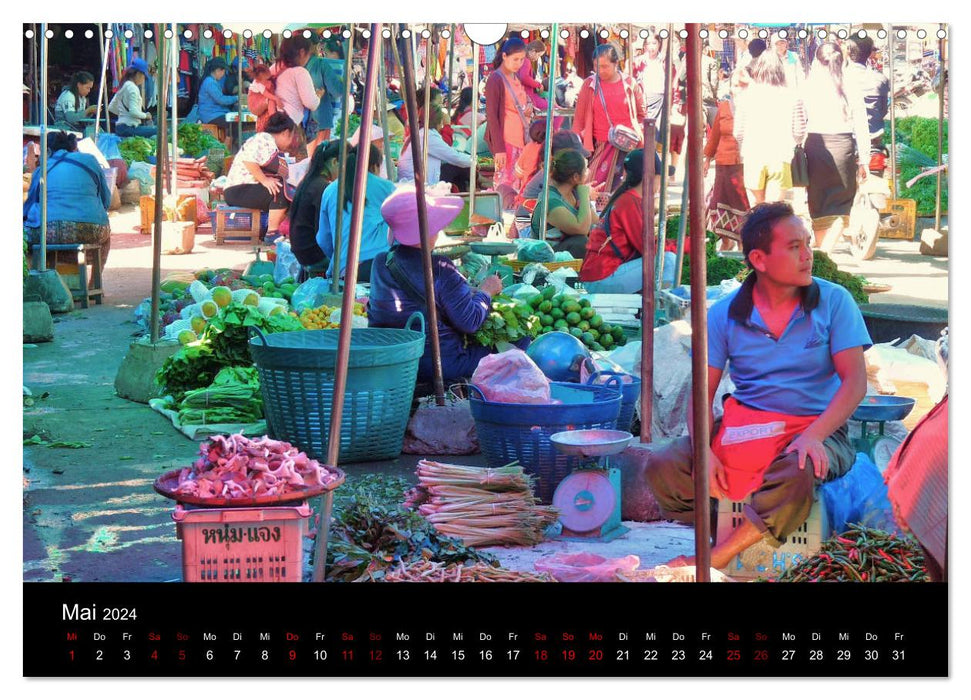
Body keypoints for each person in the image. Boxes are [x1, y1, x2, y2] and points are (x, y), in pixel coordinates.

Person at [644, 201, 871, 570]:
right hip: (746, 427)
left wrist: (814, 436)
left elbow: (855, 383)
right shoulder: (723, 314)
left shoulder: (834, 302)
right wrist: (704, 450)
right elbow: (700, 392)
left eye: (807, 244)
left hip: (820, 428)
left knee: (799, 469)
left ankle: (719, 555)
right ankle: (736, 524)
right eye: (794, 247)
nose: (807, 256)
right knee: (664, 466)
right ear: (759, 259)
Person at [368, 184, 526, 384]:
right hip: (439, 364)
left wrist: (467, 290)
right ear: (428, 229)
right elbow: (470, 322)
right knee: (521, 338)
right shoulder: (441, 267)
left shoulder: (381, 262)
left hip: (392, 361)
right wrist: (486, 291)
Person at [801, 41, 870, 251]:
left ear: (816, 60)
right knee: (841, 205)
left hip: (815, 147)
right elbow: (861, 122)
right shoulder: (849, 82)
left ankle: (823, 256)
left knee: (818, 203)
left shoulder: (809, 84)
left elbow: (799, 119)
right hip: (842, 148)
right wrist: (865, 159)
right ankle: (826, 254)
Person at [23, 131, 111, 272]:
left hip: (47, 231)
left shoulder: (41, 170)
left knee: (24, 240)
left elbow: (27, 209)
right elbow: (106, 201)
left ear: (48, 150)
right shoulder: (90, 160)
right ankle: (94, 285)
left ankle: (36, 280)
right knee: (106, 237)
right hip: (92, 230)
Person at [732, 51, 806, 206]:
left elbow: (738, 132)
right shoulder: (792, 95)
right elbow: (799, 132)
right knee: (773, 210)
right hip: (780, 156)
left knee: (756, 209)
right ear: (780, 70)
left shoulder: (745, 96)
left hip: (753, 155)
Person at [572, 42, 646, 192]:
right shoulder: (589, 85)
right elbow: (579, 118)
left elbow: (641, 113)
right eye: (596, 66)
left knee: (626, 190)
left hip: (629, 145)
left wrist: (634, 132)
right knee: (593, 187)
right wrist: (576, 145)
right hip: (601, 145)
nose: (600, 71)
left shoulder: (630, 84)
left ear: (616, 64)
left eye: (605, 66)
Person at [317, 143, 395, 283]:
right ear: (375, 166)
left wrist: (340, 256)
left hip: (343, 270)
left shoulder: (329, 190)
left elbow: (323, 239)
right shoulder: (386, 188)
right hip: (379, 267)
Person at [579, 149, 649, 293]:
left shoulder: (625, 198)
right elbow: (648, 248)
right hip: (600, 278)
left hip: (596, 275)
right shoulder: (628, 201)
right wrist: (686, 245)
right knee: (668, 261)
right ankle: (658, 311)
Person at [222, 112, 297, 241]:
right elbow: (249, 159)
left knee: (284, 187)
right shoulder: (264, 138)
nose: (291, 143)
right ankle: (272, 233)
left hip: (245, 189)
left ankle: (276, 229)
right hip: (237, 190)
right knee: (277, 188)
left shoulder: (271, 144)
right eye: (291, 137)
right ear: (285, 133)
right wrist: (264, 180)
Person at [485, 37, 535, 209]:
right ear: (504, 56)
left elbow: (523, 102)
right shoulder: (495, 79)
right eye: (515, 59)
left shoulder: (514, 77)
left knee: (517, 184)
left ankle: (511, 218)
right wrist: (498, 148)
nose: (519, 63)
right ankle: (502, 217)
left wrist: (528, 107)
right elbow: (491, 115)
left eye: (522, 60)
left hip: (520, 139)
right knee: (505, 184)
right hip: (506, 141)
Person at [397, 86, 472, 191]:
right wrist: (475, 161)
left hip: (416, 180)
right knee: (459, 166)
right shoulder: (427, 135)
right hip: (416, 186)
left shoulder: (421, 129)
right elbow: (454, 156)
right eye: (439, 104)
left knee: (459, 167)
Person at [704, 85, 749, 251]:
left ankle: (743, 243)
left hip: (743, 164)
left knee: (743, 205)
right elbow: (714, 135)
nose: (737, 89)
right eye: (735, 85)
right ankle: (726, 241)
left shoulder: (750, 106)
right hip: (723, 164)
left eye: (742, 85)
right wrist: (707, 159)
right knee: (721, 202)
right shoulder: (723, 107)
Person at [530, 149, 597, 259]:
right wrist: (585, 196)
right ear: (575, 177)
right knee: (581, 242)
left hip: (566, 256)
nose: (588, 172)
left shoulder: (575, 193)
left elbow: (596, 222)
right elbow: (581, 228)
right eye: (585, 170)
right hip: (547, 259)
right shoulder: (550, 200)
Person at [287, 139, 341, 270]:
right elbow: (324, 234)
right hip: (313, 254)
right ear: (334, 162)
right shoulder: (322, 187)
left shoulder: (310, 181)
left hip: (302, 250)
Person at [515, 129, 590, 219]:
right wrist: (585, 195)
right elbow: (577, 222)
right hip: (529, 224)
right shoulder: (551, 176)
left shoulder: (562, 174)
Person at [843, 36, 891, 176]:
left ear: (848, 51)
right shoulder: (880, 79)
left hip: (845, 141)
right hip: (873, 139)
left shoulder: (840, 78)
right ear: (870, 53)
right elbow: (883, 110)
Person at [273, 35, 323, 146]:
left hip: (273, 125)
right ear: (301, 52)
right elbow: (311, 103)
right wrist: (319, 95)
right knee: (294, 161)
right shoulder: (300, 72)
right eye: (309, 54)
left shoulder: (274, 68)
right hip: (291, 126)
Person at [305, 35, 345, 151]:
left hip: (301, 119)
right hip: (320, 119)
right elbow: (337, 91)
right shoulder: (321, 64)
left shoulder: (295, 65)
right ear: (316, 46)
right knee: (316, 157)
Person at [107, 58, 155, 137]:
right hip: (129, 128)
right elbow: (133, 112)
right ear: (138, 74)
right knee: (159, 131)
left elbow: (111, 107)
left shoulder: (123, 85)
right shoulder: (132, 88)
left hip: (120, 128)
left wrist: (124, 114)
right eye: (144, 77)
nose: (143, 80)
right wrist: (146, 115)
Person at [633, 30, 667, 124]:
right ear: (644, 46)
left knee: (657, 128)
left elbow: (672, 82)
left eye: (654, 43)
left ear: (659, 44)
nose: (651, 46)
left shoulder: (664, 60)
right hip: (643, 98)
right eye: (648, 43)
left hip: (660, 98)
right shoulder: (639, 61)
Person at [197, 58, 238, 131]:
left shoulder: (212, 81)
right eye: (223, 72)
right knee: (234, 123)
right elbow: (221, 99)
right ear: (218, 70)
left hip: (213, 113)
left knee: (234, 120)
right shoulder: (210, 82)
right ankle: (228, 142)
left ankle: (228, 140)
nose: (223, 75)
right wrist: (236, 98)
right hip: (210, 115)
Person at [248, 64, 283, 133]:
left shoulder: (261, 82)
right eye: (266, 80)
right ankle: (273, 118)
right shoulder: (258, 84)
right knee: (270, 100)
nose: (268, 82)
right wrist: (276, 99)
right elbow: (267, 94)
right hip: (254, 103)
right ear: (259, 79)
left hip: (257, 103)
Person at [519, 40, 549, 111]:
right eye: (538, 55)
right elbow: (524, 77)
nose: (537, 58)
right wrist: (538, 85)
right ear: (533, 51)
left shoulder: (521, 58)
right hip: (524, 96)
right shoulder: (526, 61)